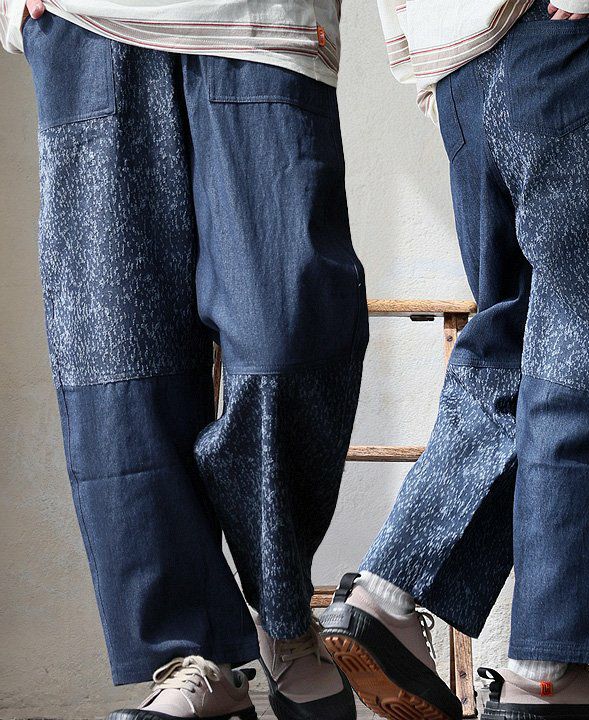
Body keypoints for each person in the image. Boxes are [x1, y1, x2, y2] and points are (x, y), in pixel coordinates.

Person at [320, 2, 589, 720]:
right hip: (576, 38)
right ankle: (546, 673)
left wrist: (419, 53)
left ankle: (389, 592)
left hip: (460, 61)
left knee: (516, 349)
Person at [2, 0, 368, 718]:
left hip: (262, 22)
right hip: (87, 23)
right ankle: (193, 655)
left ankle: (285, 615)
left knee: (287, 333)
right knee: (119, 362)